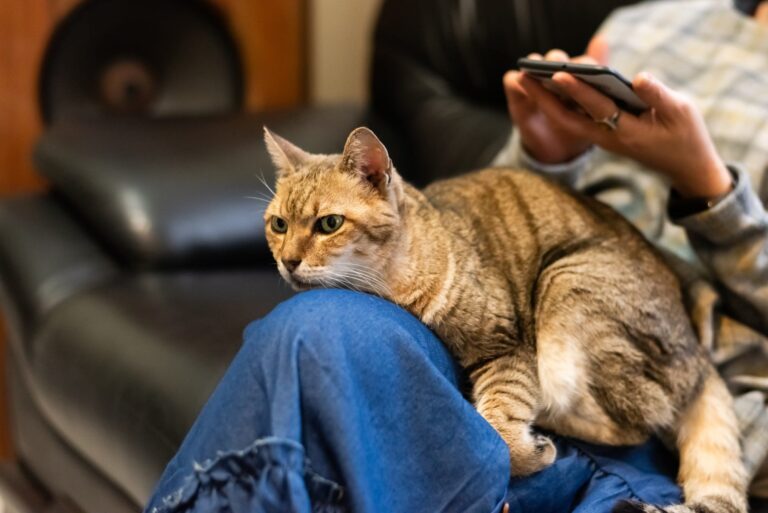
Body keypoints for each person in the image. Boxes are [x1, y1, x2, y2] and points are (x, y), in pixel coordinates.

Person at [144, 1, 768, 512]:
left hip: (643, 384)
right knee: (307, 332)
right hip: (527, 317)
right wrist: (544, 153)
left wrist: (708, 186)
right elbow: (488, 245)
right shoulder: (647, 22)